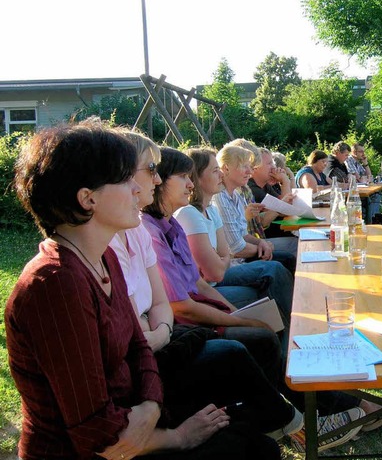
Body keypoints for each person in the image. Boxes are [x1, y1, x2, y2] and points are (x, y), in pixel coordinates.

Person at [6, 120, 280, 459]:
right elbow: (98, 433)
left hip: (135, 418)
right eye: (124, 179)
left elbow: (138, 346)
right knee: (252, 448)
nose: (139, 189)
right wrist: (178, 437)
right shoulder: (56, 285)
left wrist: (151, 406)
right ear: (87, 199)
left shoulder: (100, 257)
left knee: (250, 436)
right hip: (87, 451)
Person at [110, 132, 303, 445]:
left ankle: (286, 398)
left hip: (176, 322)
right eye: (153, 172)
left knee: (267, 310)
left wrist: (229, 311)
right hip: (172, 334)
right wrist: (237, 318)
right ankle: (289, 412)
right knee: (258, 324)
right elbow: (188, 295)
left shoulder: (167, 223)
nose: (157, 181)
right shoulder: (160, 224)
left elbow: (195, 282)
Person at [141, 146, 285, 387]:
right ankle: (298, 406)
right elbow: (186, 302)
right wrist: (241, 321)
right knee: (263, 330)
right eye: (184, 177)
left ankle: (297, 388)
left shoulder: (173, 225)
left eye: (191, 177)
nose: (190, 184)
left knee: (268, 320)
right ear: (160, 182)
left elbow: (201, 281)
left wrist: (235, 313)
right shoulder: (157, 228)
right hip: (182, 326)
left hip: (198, 303)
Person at [174, 147, 293, 330]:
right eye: (215, 170)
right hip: (211, 284)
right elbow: (218, 270)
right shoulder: (190, 214)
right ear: (196, 177)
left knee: (278, 265)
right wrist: (225, 258)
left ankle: (285, 329)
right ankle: (288, 332)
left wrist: (257, 244)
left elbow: (227, 253)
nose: (221, 174)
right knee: (275, 268)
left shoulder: (211, 210)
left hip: (225, 271)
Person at [212, 145, 297, 272]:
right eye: (244, 166)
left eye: (251, 167)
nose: (250, 172)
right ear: (226, 168)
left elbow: (243, 234)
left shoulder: (236, 194)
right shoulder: (221, 197)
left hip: (245, 252)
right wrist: (263, 246)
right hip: (234, 264)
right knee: (283, 261)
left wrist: (261, 243)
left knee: (287, 258)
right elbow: (236, 248)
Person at [345, 142, 381, 223]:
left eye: (364, 151)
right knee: (371, 197)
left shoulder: (357, 163)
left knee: (376, 194)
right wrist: (364, 178)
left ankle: (373, 219)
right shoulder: (349, 160)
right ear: (354, 152)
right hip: (352, 191)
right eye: (361, 152)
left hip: (360, 188)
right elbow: (360, 179)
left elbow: (369, 177)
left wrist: (365, 163)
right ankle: (371, 221)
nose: (363, 154)